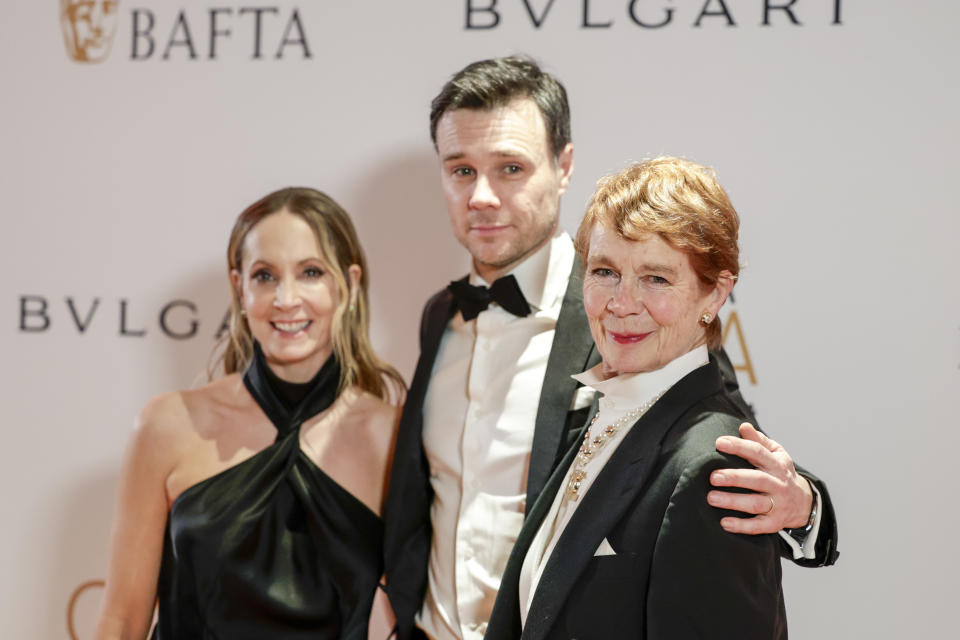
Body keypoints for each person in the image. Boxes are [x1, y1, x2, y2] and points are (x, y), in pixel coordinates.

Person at [383, 57, 837, 640]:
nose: (483, 196)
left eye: (511, 167)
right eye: (461, 170)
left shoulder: (625, 319)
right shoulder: (439, 317)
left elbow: (710, 442)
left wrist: (805, 506)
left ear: (563, 165)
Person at [485, 156, 786, 639]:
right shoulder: (618, 407)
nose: (621, 304)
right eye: (604, 271)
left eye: (656, 278)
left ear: (714, 294)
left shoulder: (711, 464)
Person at [94, 187, 403, 640]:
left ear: (350, 285)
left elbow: (417, 618)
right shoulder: (167, 425)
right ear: (239, 289)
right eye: (265, 276)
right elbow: (122, 621)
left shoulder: (391, 438)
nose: (286, 299)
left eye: (311, 272)